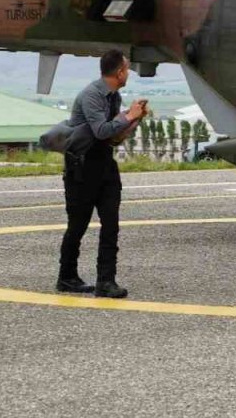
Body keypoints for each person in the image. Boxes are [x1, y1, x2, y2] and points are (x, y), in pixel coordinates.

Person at [56, 49, 147, 298]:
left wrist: (133, 121)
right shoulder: (92, 96)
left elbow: (113, 138)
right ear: (119, 72)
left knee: (111, 224)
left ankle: (106, 281)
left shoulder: (113, 97)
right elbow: (100, 130)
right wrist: (128, 115)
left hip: (104, 164)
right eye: (127, 69)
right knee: (78, 225)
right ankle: (67, 277)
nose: (128, 73)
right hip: (82, 168)